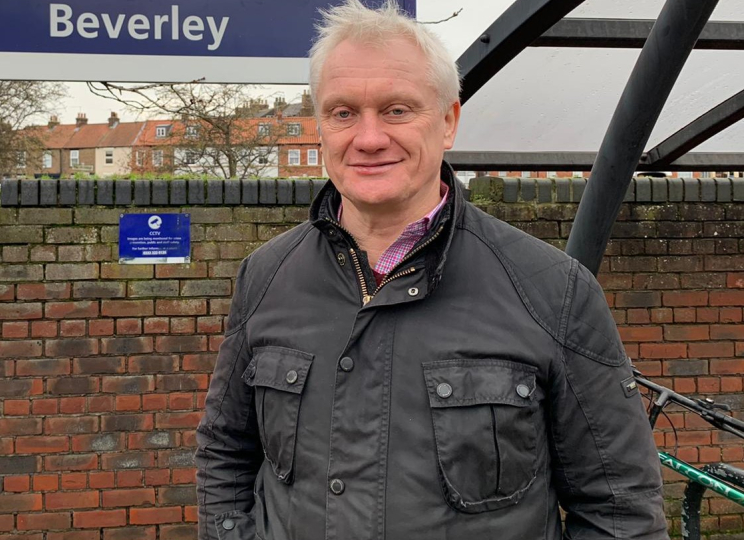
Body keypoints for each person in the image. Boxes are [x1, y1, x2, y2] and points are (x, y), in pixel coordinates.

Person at [195, 1, 668, 538]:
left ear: (448, 121)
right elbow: (225, 454)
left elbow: (619, 508)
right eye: (343, 112)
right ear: (320, 128)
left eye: (397, 110)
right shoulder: (266, 277)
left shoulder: (552, 290)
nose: (368, 138)